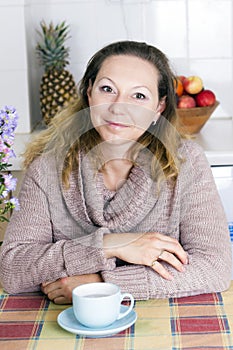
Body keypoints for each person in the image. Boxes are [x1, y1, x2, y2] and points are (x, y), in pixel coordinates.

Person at [0, 41, 231, 304]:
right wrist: (110, 244)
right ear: (89, 94)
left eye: (139, 96)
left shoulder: (186, 162)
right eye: (107, 89)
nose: (119, 107)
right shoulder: (48, 168)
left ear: (159, 107)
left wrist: (103, 283)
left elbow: (215, 267)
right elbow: (12, 269)